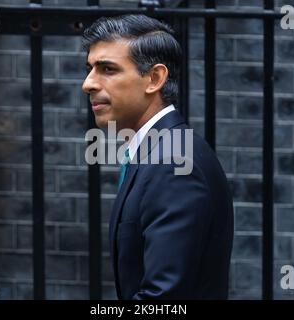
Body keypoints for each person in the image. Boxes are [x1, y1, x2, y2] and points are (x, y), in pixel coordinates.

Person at [81, 14, 234, 300]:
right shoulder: (160, 151)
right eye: (90, 68)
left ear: (154, 78)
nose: (88, 83)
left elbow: (162, 299)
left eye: (107, 69)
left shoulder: (173, 164)